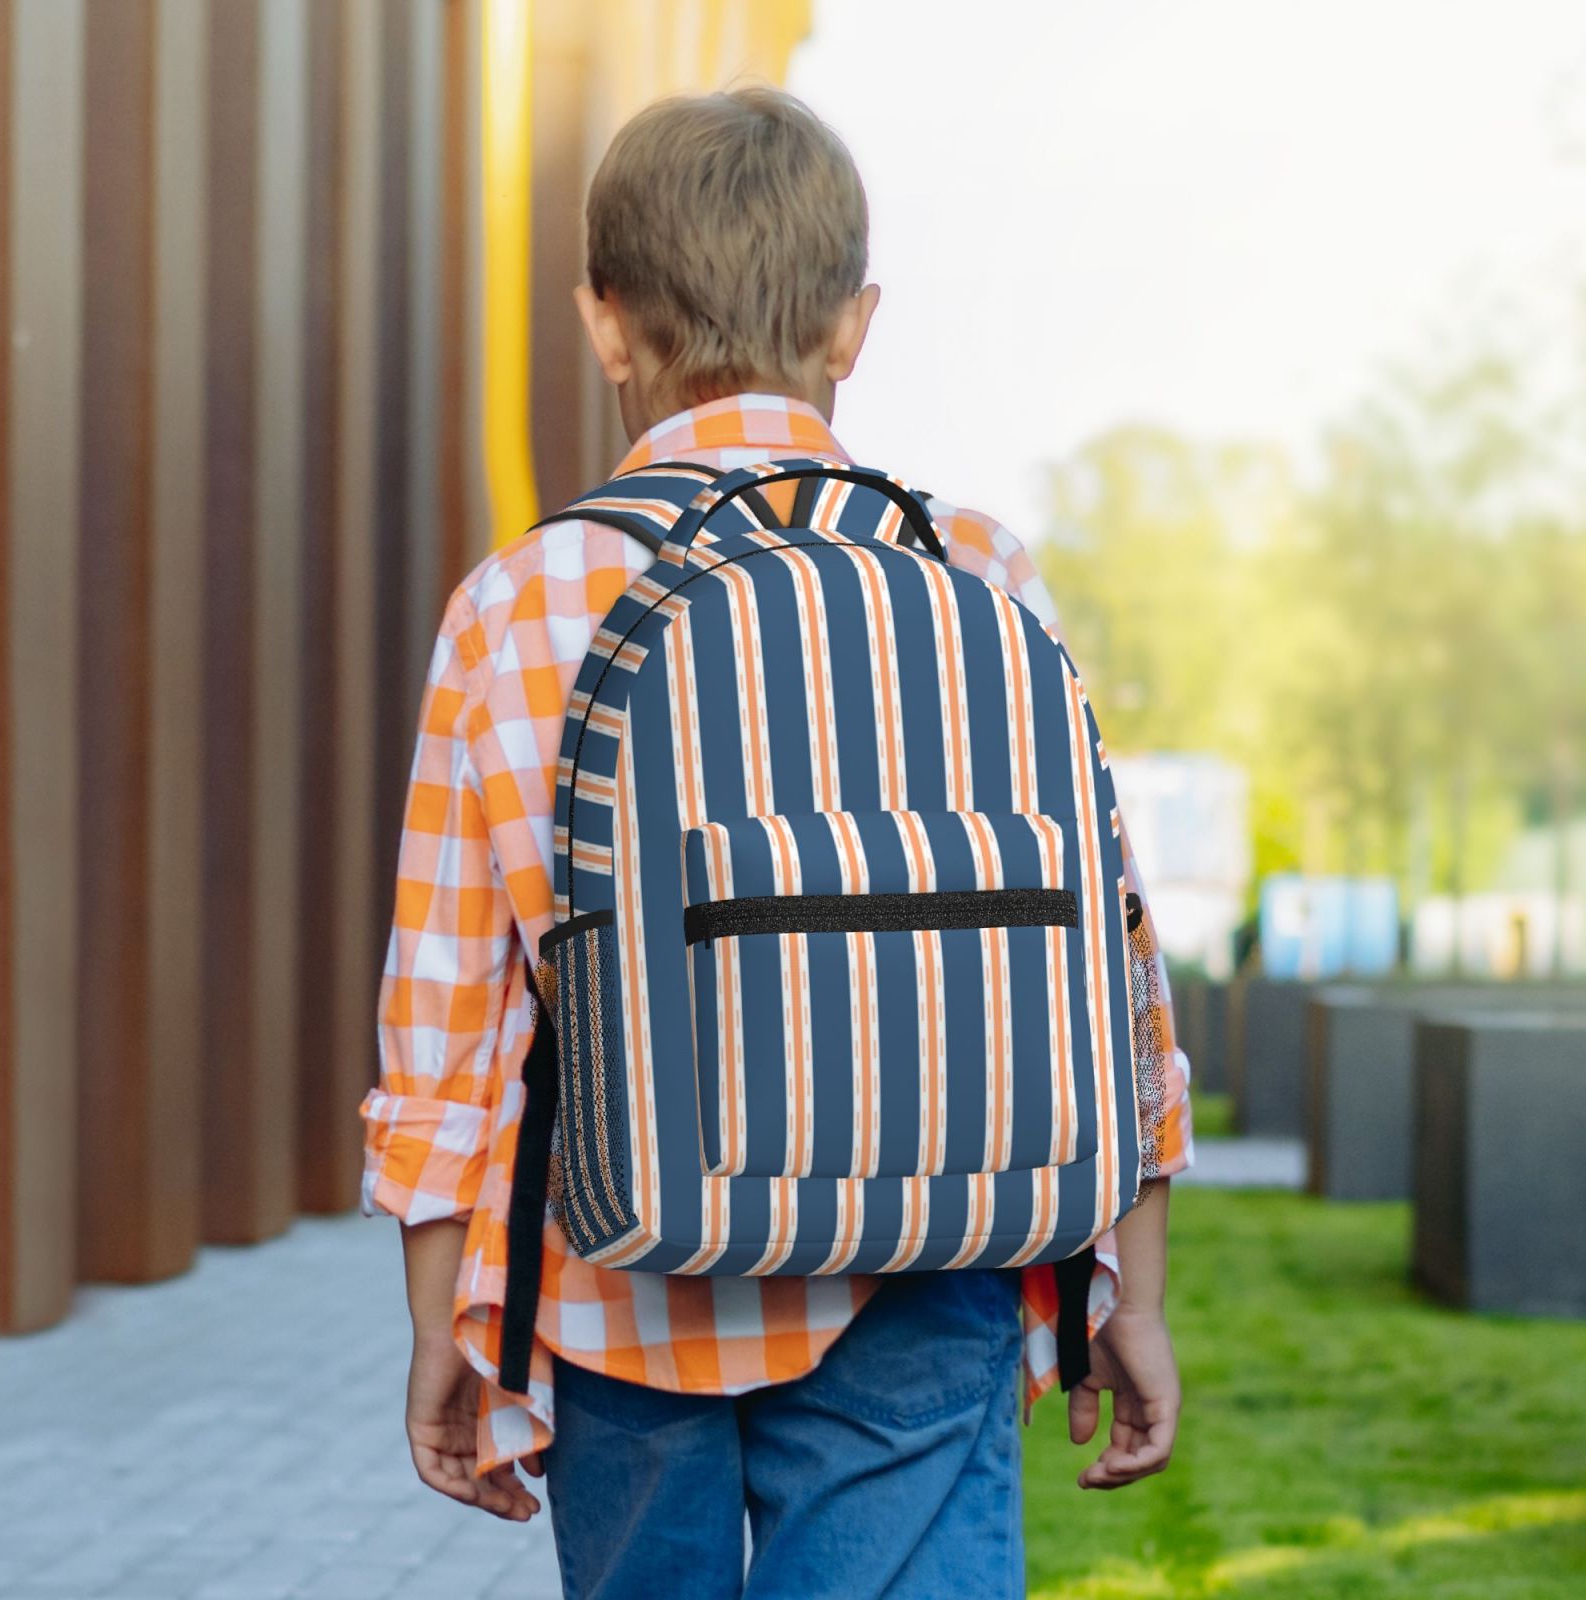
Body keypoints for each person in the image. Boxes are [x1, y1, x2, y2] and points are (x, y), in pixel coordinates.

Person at [361, 86, 1194, 1600]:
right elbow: (1099, 958)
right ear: (853, 326)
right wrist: (1123, 1279)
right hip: (932, 1242)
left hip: (622, 1264)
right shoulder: (973, 569)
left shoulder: (519, 605)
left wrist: (449, 1326)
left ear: (604, 323)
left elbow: (449, 1027)